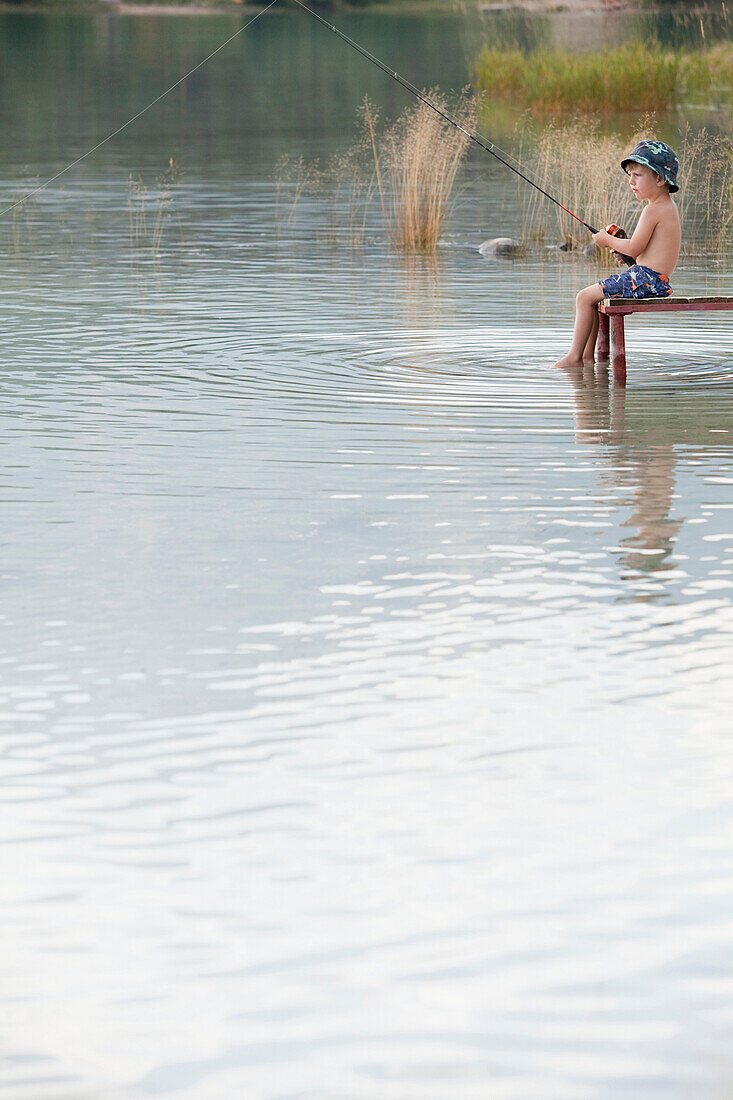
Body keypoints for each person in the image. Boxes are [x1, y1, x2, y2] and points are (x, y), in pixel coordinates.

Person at [553, 141, 681, 370]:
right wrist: (629, 259)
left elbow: (633, 247)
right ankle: (587, 358)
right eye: (629, 175)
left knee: (583, 297)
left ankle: (574, 357)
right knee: (592, 300)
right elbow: (642, 254)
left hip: (646, 278)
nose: (631, 181)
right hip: (652, 278)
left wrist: (607, 240)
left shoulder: (653, 209)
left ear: (660, 179)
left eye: (637, 175)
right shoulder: (666, 207)